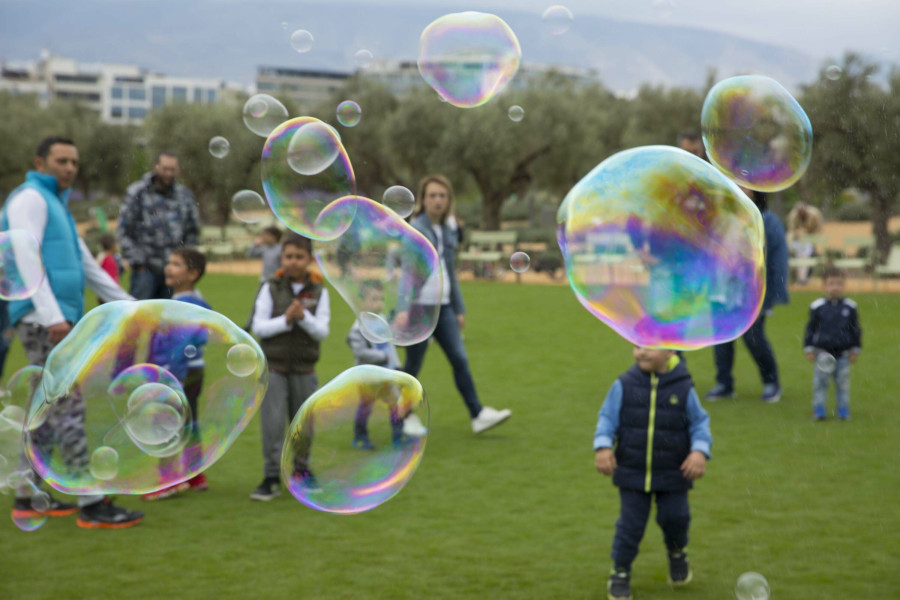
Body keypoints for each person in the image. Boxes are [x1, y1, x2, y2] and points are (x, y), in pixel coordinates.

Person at [2, 136, 142, 528]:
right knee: (69, 407)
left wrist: (131, 303)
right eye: (61, 160)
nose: (69, 168)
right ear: (40, 161)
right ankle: (92, 501)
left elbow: (88, 265)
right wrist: (51, 317)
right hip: (43, 322)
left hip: (55, 320)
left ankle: (27, 496)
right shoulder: (29, 198)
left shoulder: (57, 206)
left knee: (43, 414)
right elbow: (25, 256)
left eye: (74, 162)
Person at [594, 346, 712, 600]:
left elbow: (699, 422)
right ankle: (620, 572)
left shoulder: (684, 387)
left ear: (670, 351)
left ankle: (677, 553)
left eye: (648, 347)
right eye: (637, 346)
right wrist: (603, 446)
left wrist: (699, 451)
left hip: (673, 473)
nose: (640, 353)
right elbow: (607, 418)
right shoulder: (624, 384)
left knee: (676, 520)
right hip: (632, 472)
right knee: (630, 526)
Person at [401, 174, 511, 434]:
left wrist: (459, 308)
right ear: (423, 200)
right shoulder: (416, 228)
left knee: (460, 359)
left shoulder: (449, 229)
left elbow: (450, 271)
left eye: (442, 195)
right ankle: (404, 418)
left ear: (449, 199)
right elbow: (408, 273)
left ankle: (478, 414)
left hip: (444, 307)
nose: (437, 200)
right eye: (432, 195)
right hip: (419, 308)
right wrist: (404, 309)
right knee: (413, 367)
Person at [249, 234, 330, 501]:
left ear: (309, 260)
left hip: (305, 367)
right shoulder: (270, 287)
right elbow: (259, 326)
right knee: (272, 424)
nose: (293, 262)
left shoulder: (319, 291)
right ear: (281, 258)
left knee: (303, 423)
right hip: (274, 366)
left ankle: (301, 471)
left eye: (299, 257)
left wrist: (303, 316)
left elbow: (322, 331)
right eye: (289, 256)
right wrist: (286, 319)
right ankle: (271, 476)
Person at [706, 190, 789, 403]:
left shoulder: (767, 221)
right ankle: (724, 383)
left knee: (754, 339)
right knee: (722, 340)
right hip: (721, 291)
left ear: (756, 192)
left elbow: (777, 263)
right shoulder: (723, 220)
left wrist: (770, 296)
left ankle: (771, 382)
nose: (738, 189)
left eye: (744, 186)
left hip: (751, 294)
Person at [143, 247, 212, 499]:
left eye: (176, 264)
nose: (168, 268)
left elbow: (180, 346)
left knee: (165, 421)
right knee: (189, 421)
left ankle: (167, 482)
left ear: (192, 273)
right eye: (169, 262)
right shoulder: (196, 303)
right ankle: (196, 475)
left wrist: (170, 375)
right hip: (194, 370)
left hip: (178, 372)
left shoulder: (180, 307)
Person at [347, 280, 425, 450]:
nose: (379, 303)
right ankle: (359, 436)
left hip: (388, 373)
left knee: (394, 404)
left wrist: (396, 365)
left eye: (381, 299)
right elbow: (359, 352)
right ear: (361, 302)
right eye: (374, 299)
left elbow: (390, 344)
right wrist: (381, 356)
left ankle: (399, 435)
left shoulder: (382, 320)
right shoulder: (358, 327)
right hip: (368, 376)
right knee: (366, 406)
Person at [118, 151, 200, 300]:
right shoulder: (137, 192)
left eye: (172, 169)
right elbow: (124, 230)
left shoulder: (185, 196)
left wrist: (184, 263)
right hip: (145, 271)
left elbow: (192, 231)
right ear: (156, 167)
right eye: (165, 168)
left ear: (178, 170)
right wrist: (138, 262)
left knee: (171, 319)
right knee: (141, 318)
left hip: (175, 273)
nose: (168, 173)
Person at [803, 267, 861, 421]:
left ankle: (843, 410)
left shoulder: (850, 307)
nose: (835, 287)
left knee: (842, 384)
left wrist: (855, 348)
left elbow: (855, 329)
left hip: (843, 354)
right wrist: (809, 348)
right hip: (822, 353)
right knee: (820, 383)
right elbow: (810, 329)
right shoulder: (817, 306)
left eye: (839, 283)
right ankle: (819, 409)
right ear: (824, 286)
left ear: (844, 285)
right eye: (831, 283)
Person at [786, 202, 824, 285]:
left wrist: (812, 240)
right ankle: (800, 278)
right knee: (800, 256)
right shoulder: (793, 216)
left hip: (810, 238)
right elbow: (792, 230)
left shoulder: (814, 214)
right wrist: (798, 235)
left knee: (805, 255)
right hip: (798, 240)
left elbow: (818, 228)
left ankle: (802, 278)